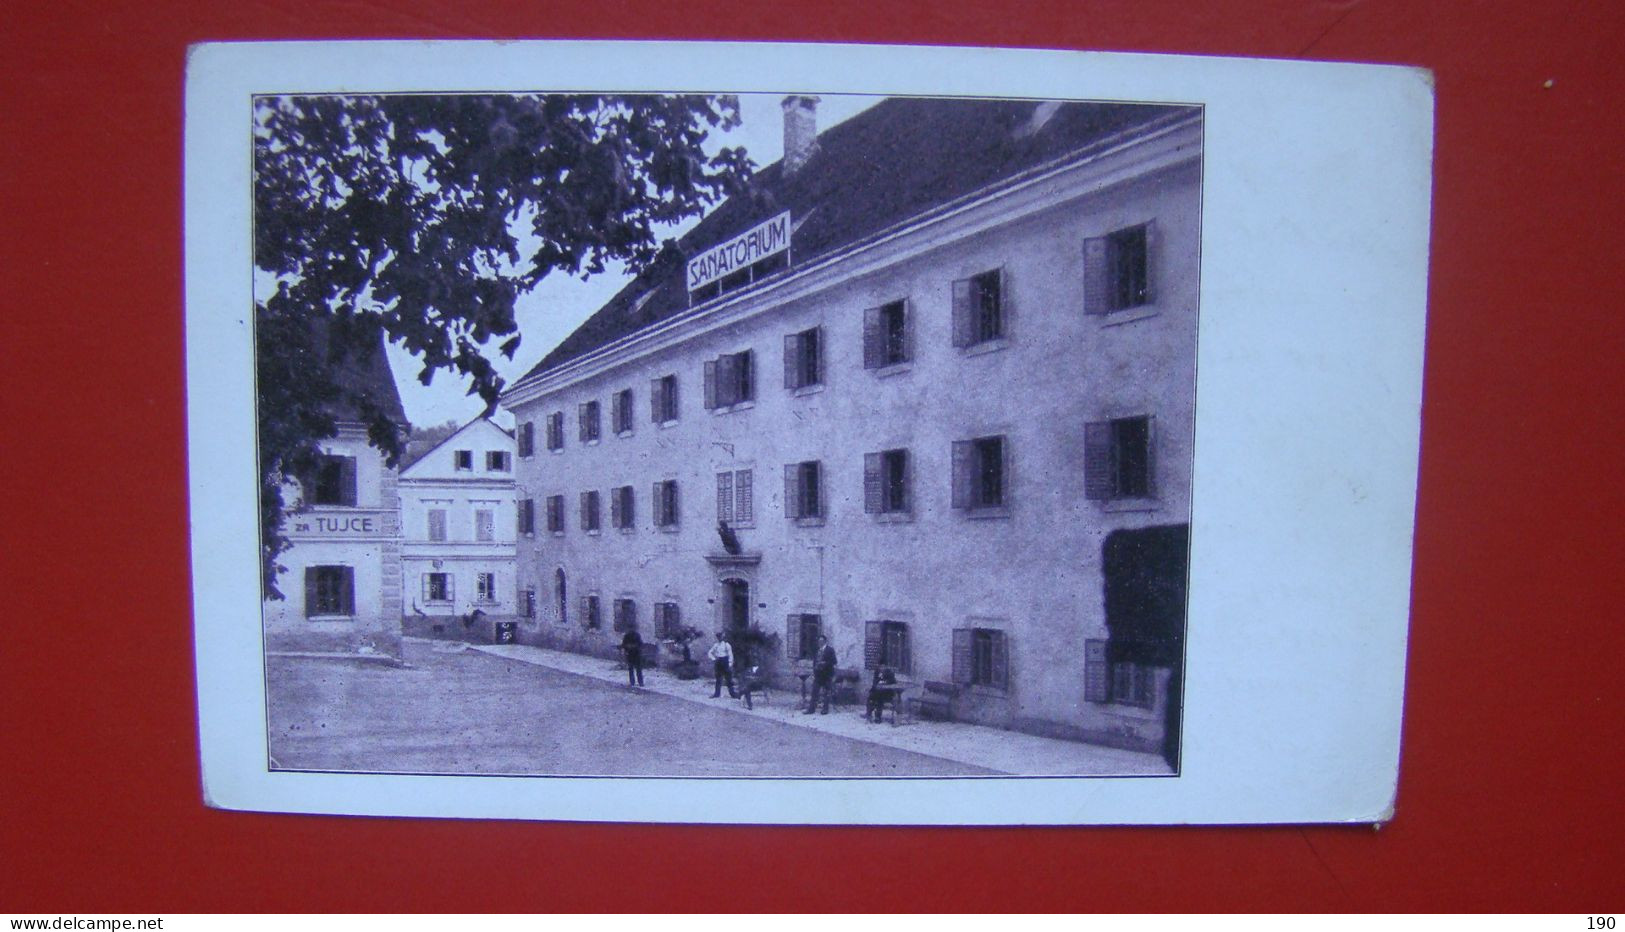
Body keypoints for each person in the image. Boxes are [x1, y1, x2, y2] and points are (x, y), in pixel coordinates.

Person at [804, 635, 838, 714]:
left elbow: (834, 661)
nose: (820, 643)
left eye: (822, 641)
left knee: (826, 692)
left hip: (827, 674)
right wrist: (814, 671)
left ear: (825, 641)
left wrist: (825, 663)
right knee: (814, 692)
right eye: (819, 641)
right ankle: (811, 709)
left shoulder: (830, 650)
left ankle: (825, 709)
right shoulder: (817, 650)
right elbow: (814, 662)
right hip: (818, 675)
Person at [707, 631, 738, 698]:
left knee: (728, 679)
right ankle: (717, 694)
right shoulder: (716, 645)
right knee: (718, 678)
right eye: (718, 637)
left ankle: (733, 694)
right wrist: (713, 659)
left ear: (723, 637)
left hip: (725, 661)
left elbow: (730, 655)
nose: (719, 638)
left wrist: (730, 663)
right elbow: (710, 652)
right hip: (718, 662)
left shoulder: (727, 645)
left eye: (720, 637)